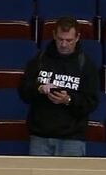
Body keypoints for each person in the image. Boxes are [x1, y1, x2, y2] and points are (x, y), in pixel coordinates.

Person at [18, 16, 99, 156]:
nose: (63, 44)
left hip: (72, 140)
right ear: (54, 35)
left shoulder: (86, 65)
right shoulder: (39, 60)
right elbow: (23, 91)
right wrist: (39, 89)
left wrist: (68, 100)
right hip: (40, 138)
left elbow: (91, 102)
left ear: (77, 37)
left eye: (69, 40)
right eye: (60, 39)